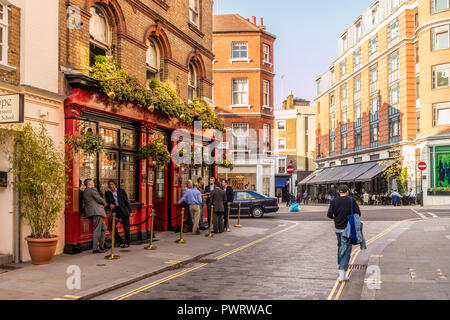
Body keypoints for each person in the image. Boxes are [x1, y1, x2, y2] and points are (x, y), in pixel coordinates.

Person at [327, 184, 363, 282]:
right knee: (347, 250)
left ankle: (342, 273)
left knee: (340, 248)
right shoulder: (351, 200)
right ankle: (342, 273)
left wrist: (335, 218)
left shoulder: (334, 201)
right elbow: (358, 213)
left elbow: (329, 215)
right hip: (348, 230)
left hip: (338, 229)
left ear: (339, 192)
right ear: (347, 191)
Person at [105, 180, 132, 248]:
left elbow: (126, 201)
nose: (111, 186)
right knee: (112, 226)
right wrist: (109, 205)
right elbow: (107, 202)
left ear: (115, 185)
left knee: (126, 227)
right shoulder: (107, 193)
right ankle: (120, 241)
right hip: (116, 211)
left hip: (124, 210)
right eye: (110, 184)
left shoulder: (121, 191)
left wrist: (130, 211)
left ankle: (127, 242)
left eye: (113, 184)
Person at [83, 179, 107, 254]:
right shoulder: (91, 190)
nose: (94, 183)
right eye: (92, 182)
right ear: (89, 183)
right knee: (97, 230)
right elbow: (98, 198)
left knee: (104, 228)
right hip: (96, 212)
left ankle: (101, 247)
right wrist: (104, 202)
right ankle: (96, 249)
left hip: (93, 212)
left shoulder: (85, 191)